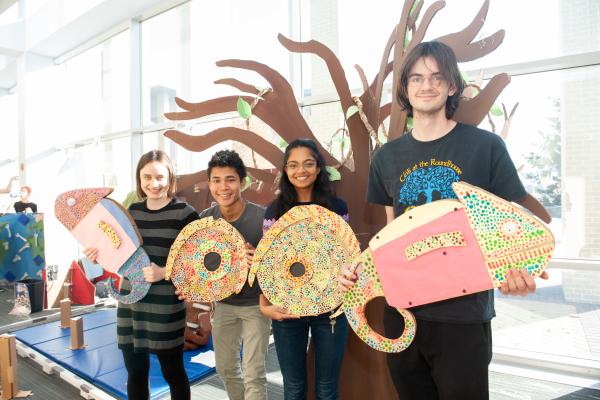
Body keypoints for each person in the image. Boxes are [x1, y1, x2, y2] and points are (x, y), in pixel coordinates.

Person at [339, 41, 549, 400]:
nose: (427, 85)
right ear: (406, 88)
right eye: (417, 78)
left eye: (437, 77)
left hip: (464, 316)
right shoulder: (386, 158)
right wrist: (357, 272)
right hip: (402, 312)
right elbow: (392, 235)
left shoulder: (486, 148)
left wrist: (520, 267)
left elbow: (507, 224)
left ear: (452, 85)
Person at [85, 150, 196, 400]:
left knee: (173, 371)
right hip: (130, 302)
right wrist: (97, 254)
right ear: (139, 178)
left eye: (159, 177)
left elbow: (199, 260)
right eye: (147, 177)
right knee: (135, 372)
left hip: (166, 304)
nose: (153, 184)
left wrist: (164, 272)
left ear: (170, 178)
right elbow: (115, 251)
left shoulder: (185, 213)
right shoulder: (131, 211)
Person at [260, 138, 349, 400]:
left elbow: (344, 256)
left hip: (331, 308)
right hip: (287, 308)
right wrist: (265, 305)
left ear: (319, 168)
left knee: (327, 389)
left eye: (308, 164)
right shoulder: (275, 210)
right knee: (294, 387)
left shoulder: (337, 207)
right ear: (285, 170)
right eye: (293, 165)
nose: (301, 170)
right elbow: (268, 265)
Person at [196, 150, 271, 400]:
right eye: (216, 180)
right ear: (209, 184)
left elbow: (281, 267)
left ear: (243, 182)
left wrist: (259, 260)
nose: (223, 187)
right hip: (224, 305)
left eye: (230, 179)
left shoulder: (263, 218)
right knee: (226, 369)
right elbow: (195, 263)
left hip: (256, 305)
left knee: (254, 374)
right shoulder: (205, 220)